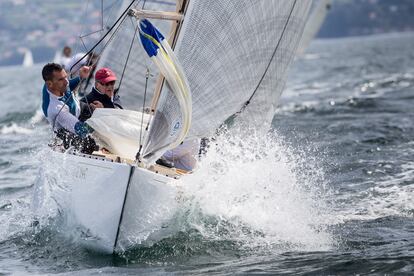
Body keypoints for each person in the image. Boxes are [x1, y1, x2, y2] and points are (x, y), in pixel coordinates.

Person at [41, 63, 102, 153]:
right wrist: (99, 117)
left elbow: (69, 85)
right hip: (67, 130)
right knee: (90, 143)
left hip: (79, 110)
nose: (66, 81)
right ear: (49, 84)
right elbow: (82, 130)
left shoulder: (53, 85)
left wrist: (80, 77)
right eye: (61, 79)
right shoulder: (56, 109)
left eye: (66, 77)